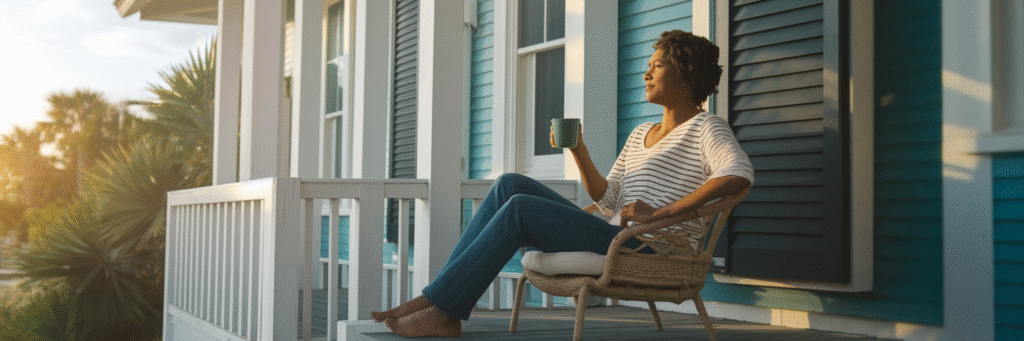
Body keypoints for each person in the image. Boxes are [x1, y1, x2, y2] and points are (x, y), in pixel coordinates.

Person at [371, 29, 754, 338]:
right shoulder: (641, 133)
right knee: (508, 184)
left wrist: (662, 212)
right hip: (615, 233)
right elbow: (609, 199)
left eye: (657, 65)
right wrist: (579, 150)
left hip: (652, 247)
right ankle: (439, 301)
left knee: (520, 210)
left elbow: (737, 173)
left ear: (686, 73)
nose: (646, 73)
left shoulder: (706, 127)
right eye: (648, 65)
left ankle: (441, 308)